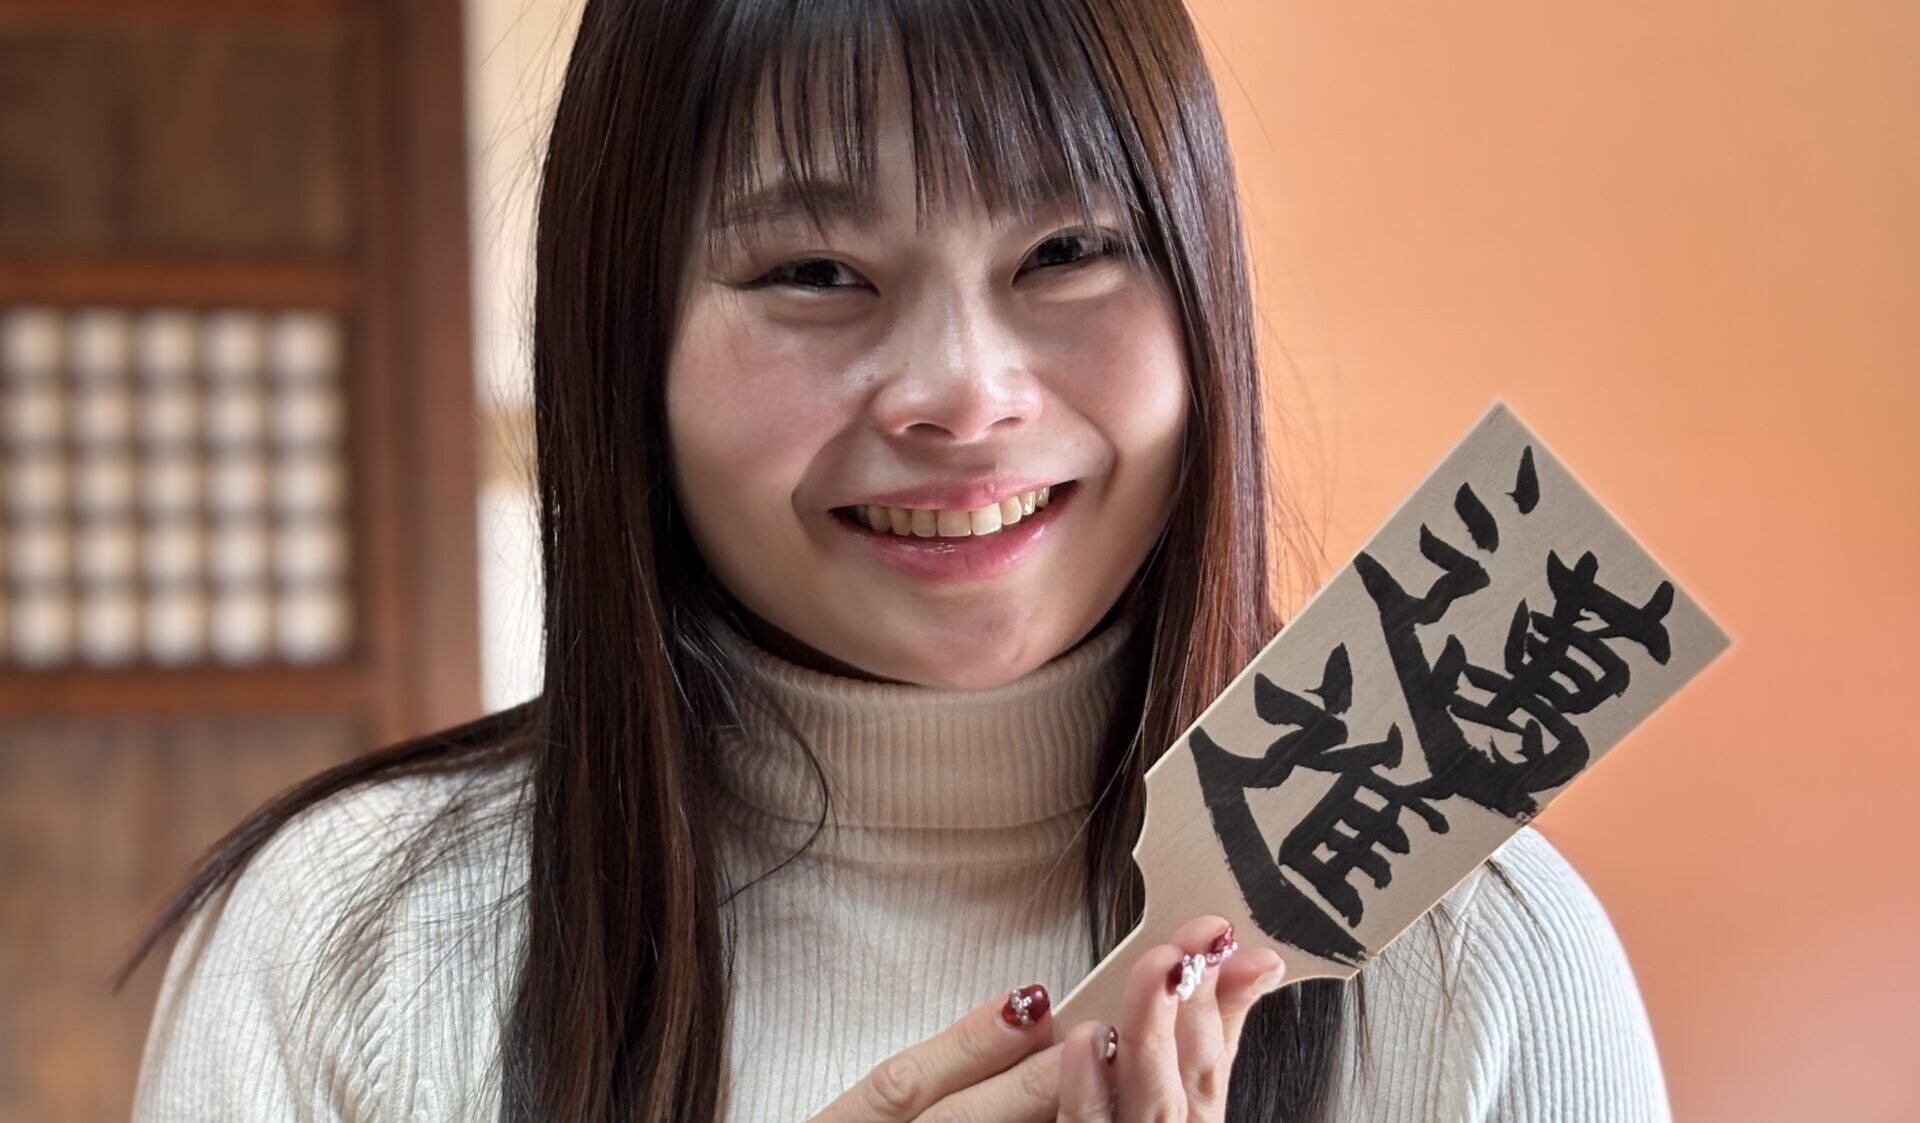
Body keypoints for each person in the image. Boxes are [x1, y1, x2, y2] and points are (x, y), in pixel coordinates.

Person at [119, 1, 1672, 1120]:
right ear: (626, 344)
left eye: (1067, 252)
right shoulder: (353, 952)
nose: (965, 392)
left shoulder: (1479, 961)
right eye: (814, 272)